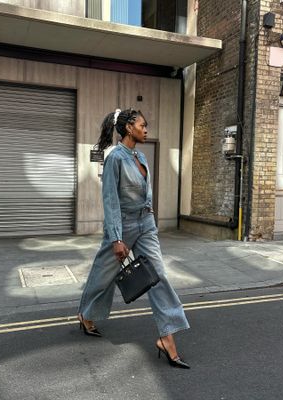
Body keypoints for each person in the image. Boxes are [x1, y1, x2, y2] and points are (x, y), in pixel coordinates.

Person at [77, 108, 190, 369]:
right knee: (103, 274)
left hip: (146, 223)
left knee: (158, 275)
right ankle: (86, 314)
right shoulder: (115, 158)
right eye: (143, 125)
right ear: (129, 128)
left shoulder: (141, 157)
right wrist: (116, 238)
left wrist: (150, 218)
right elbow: (111, 201)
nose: (146, 129)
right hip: (123, 225)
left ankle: (167, 337)